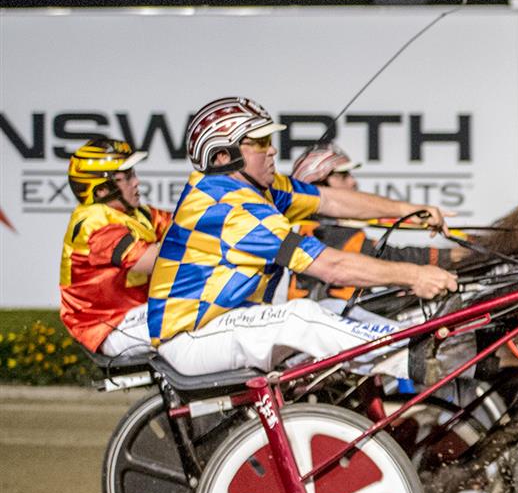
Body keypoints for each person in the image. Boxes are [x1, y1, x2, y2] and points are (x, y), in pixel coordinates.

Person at [147, 97, 458, 376]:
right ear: (222, 157)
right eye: (259, 142)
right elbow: (329, 266)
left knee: (333, 311)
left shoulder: (259, 189)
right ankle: (420, 361)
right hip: (192, 337)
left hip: (230, 325)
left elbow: (331, 201)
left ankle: (439, 355)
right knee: (301, 316)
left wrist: (413, 209)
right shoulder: (227, 207)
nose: (272, 149)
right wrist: (414, 276)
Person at [285, 141, 458, 302]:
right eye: (343, 175)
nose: (353, 182)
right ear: (318, 185)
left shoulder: (307, 225)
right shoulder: (326, 233)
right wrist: (472, 251)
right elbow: (392, 257)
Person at [57, 138, 173, 359]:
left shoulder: (137, 214)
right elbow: (157, 261)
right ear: (101, 190)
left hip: (135, 315)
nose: (136, 182)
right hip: (108, 326)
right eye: (126, 177)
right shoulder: (94, 222)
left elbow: (184, 224)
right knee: (198, 319)